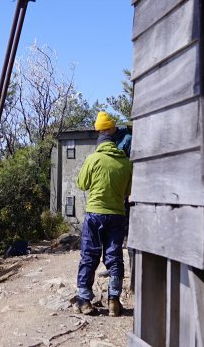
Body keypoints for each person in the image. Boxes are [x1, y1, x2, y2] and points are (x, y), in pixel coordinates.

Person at [75, 111, 132, 317]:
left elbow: (82, 184)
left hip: (95, 214)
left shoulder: (93, 159)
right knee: (114, 258)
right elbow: (128, 191)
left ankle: (84, 300)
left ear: (100, 140)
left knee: (89, 255)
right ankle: (114, 301)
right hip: (117, 215)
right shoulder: (126, 163)